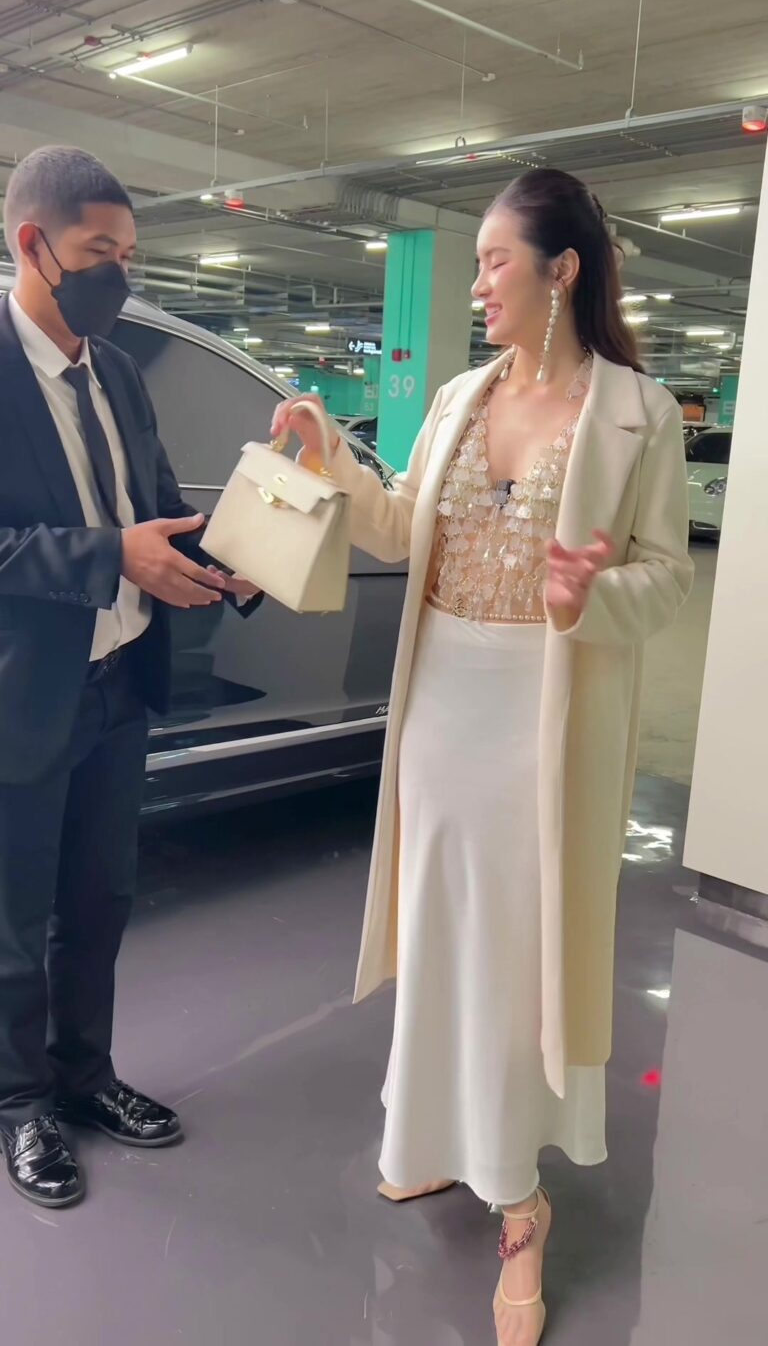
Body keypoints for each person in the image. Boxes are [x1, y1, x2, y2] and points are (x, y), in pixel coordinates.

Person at [272, 168, 694, 1345]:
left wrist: (588, 593)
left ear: (563, 271)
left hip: (544, 719)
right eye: (476, 267)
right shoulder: (460, 395)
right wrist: (328, 455)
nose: (478, 284)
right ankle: (433, 1135)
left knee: (515, 957)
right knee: (439, 932)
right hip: (441, 705)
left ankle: (520, 1203)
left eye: (495, 261)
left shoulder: (638, 413)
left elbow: (669, 577)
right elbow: (403, 523)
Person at [0, 146, 261, 1210]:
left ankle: (84, 1072)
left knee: (99, 900)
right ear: (33, 244)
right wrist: (112, 556)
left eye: (129, 253)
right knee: (14, 914)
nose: (119, 272)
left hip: (118, 685)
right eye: (100, 250)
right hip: (23, 691)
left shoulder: (115, 374)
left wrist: (233, 556)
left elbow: (155, 508)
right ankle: (20, 1103)